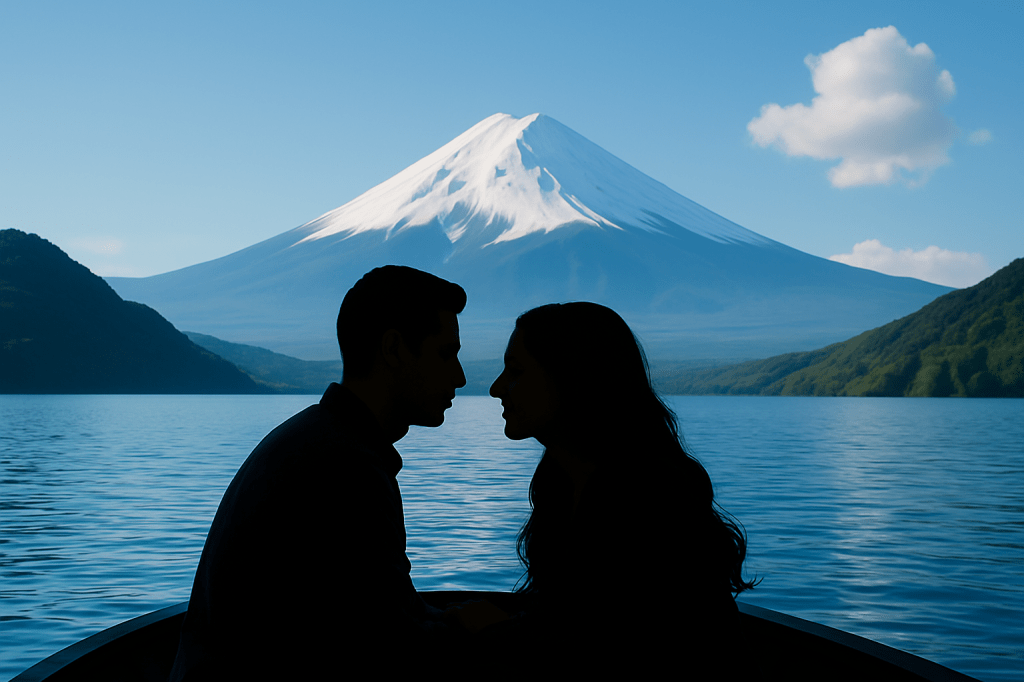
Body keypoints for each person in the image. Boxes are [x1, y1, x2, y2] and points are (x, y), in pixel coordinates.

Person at [169, 265, 468, 680]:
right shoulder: (345, 472)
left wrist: (449, 622)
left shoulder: (316, 441)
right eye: (445, 354)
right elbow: (387, 645)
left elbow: (381, 610)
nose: (461, 376)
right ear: (395, 349)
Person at [456, 302, 756, 670]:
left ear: (573, 378)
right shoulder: (567, 485)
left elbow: (603, 646)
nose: (495, 388)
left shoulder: (647, 504)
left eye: (515, 371)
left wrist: (491, 631)